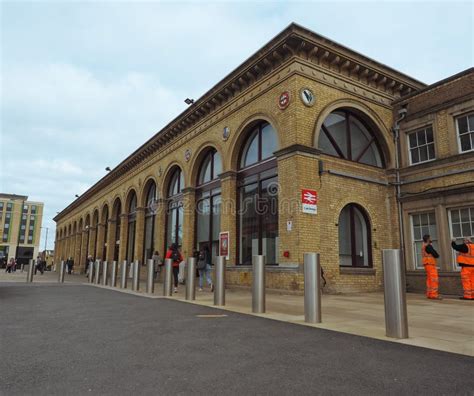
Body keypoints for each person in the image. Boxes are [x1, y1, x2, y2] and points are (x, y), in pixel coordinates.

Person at [421, 234, 441, 300]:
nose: (431, 239)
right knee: (433, 279)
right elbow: (435, 254)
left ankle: (429, 294)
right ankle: (434, 295)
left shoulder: (424, 246)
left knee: (429, 280)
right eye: (430, 238)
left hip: (427, 264)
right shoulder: (428, 246)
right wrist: (432, 246)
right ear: (428, 239)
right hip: (430, 264)